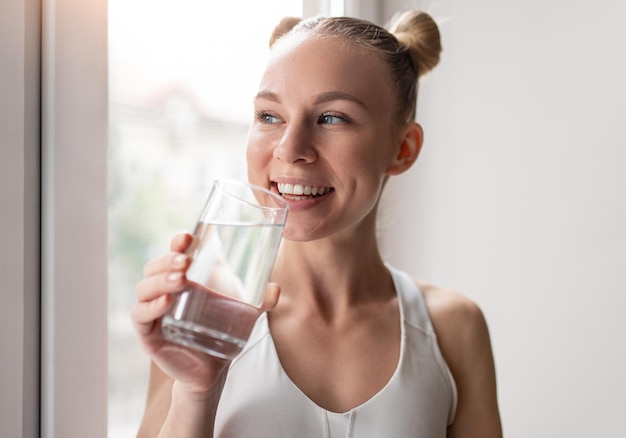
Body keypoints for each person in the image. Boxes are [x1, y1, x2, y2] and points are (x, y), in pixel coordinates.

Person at [132, 10, 502, 438]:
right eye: (269, 116)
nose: (290, 149)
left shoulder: (452, 328)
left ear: (402, 148)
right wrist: (196, 392)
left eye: (332, 117)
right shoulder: (202, 315)